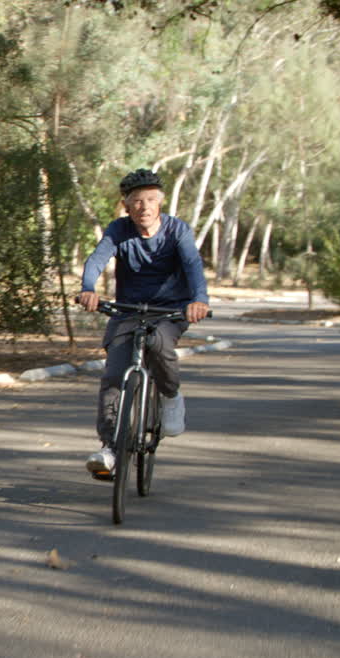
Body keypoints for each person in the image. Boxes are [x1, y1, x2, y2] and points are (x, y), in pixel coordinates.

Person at [77, 168, 210, 475]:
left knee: (161, 345)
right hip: (127, 310)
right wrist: (88, 288)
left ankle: (170, 395)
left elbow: (192, 265)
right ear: (126, 205)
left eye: (150, 200)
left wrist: (198, 300)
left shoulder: (178, 230)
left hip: (170, 311)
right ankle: (109, 448)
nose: (144, 207)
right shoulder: (119, 230)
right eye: (136, 201)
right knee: (113, 376)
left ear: (160, 202)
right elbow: (97, 259)